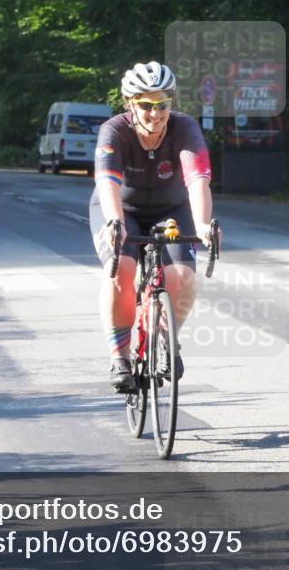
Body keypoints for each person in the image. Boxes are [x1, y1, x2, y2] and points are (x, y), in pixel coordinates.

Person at [89, 61, 216, 393]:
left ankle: (166, 337)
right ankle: (119, 357)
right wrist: (115, 223)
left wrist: (202, 225)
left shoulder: (185, 128)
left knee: (184, 276)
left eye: (162, 104)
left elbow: (198, 180)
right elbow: (107, 184)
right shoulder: (113, 131)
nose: (155, 113)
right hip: (122, 208)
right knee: (121, 271)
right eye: (146, 104)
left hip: (171, 211)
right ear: (130, 104)